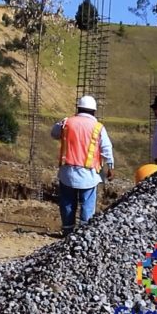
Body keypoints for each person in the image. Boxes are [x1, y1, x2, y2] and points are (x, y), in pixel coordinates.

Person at [51, 95, 114, 236]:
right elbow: (106, 148)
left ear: (78, 108)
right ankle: (84, 233)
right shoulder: (98, 127)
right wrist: (111, 166)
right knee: (87, 204)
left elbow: (54, 133)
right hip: (89, 174)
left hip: (67, 172)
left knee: (67, 203)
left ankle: (67, 232)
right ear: (94, 111)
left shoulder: (66, 122)